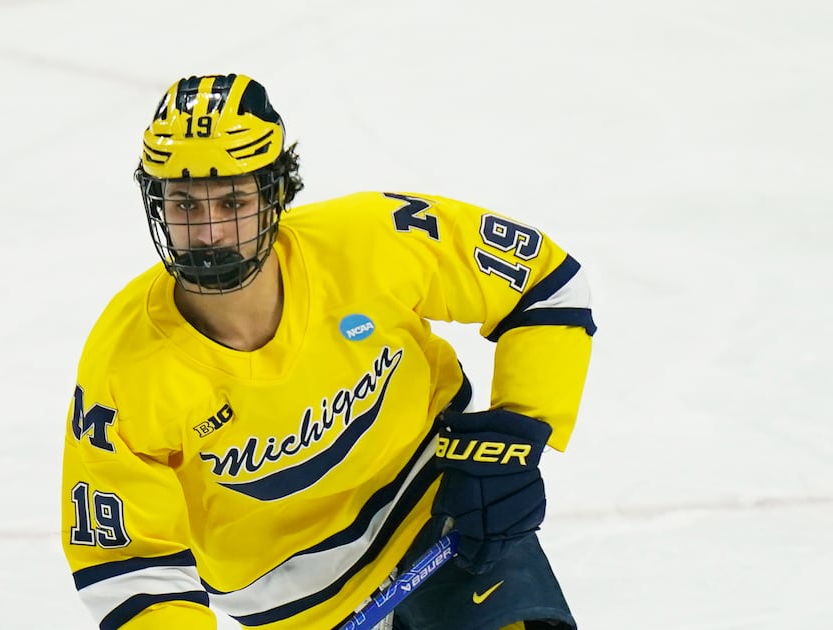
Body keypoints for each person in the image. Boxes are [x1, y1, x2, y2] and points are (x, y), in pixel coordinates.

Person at [60, 73, 595, 630]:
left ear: (275, 194)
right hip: (297, 602)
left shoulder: (371, 241)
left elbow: (545, 282)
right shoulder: (124, 368)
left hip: (442, 514)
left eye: (233, 201)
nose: (209, 232)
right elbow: (129, 567)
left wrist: (516, 437)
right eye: (184, 204)